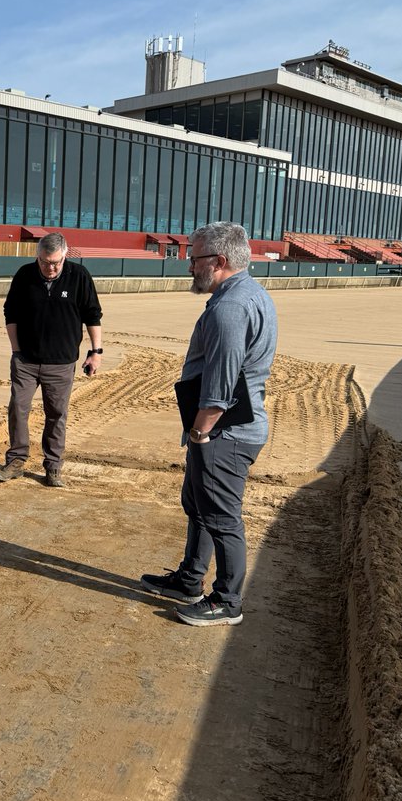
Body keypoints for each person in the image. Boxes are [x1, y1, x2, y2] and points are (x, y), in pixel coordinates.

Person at [141, 221, 277, 627]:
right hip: (225, 430)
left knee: (221, 516)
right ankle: (189, 580)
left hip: (224, 434)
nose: (189, 267)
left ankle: (228, 601)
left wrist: (200, 432)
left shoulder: (230, 308)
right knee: (199, 505)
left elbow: (220, 386)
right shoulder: (249, 293)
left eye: (194, 258)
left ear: (218, 261)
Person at [0, 232, 103, 487]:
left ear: (65, 256)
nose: (50, 268)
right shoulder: (25, 274)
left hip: (61, 362)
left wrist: (96, 352)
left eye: (55, 263)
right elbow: (11, 312)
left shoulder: (79, 276)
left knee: (56, 414)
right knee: (18, 408)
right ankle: (16, 460)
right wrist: (16, 349)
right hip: (26, 360)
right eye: (44, 262)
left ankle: (53, 466)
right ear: (37, 256)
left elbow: (92, 315)